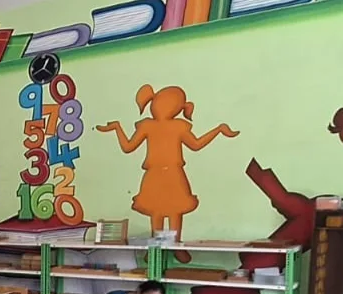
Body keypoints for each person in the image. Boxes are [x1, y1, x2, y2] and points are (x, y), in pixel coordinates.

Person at [95, 84, 238, 238]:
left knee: (174, 210)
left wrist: (218, 130)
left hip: (172, 175)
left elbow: (195, 145)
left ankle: (174, 246)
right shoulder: (149, 126)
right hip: (156, 175)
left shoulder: (177, 126)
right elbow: (128, 147)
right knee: (157, 211)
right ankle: (157, 247)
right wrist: (117, 128)